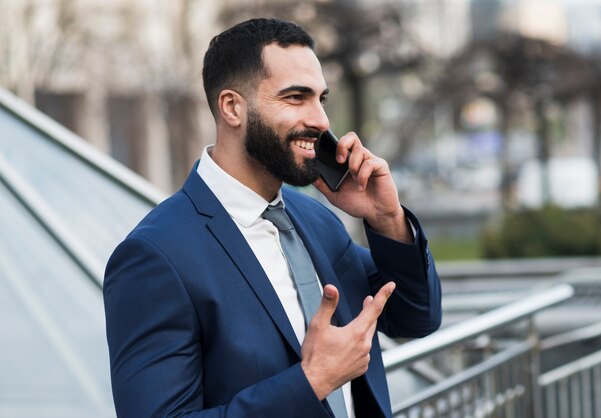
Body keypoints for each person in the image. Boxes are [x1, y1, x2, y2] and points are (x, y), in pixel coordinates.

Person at [103, 17, 441, 418]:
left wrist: (386, 218)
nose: (320, 121)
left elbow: (415, 317)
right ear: (232, 107)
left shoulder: (314, 218)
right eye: (296, 97)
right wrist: (311, 382)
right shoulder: (155, 256)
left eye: (321, 99)